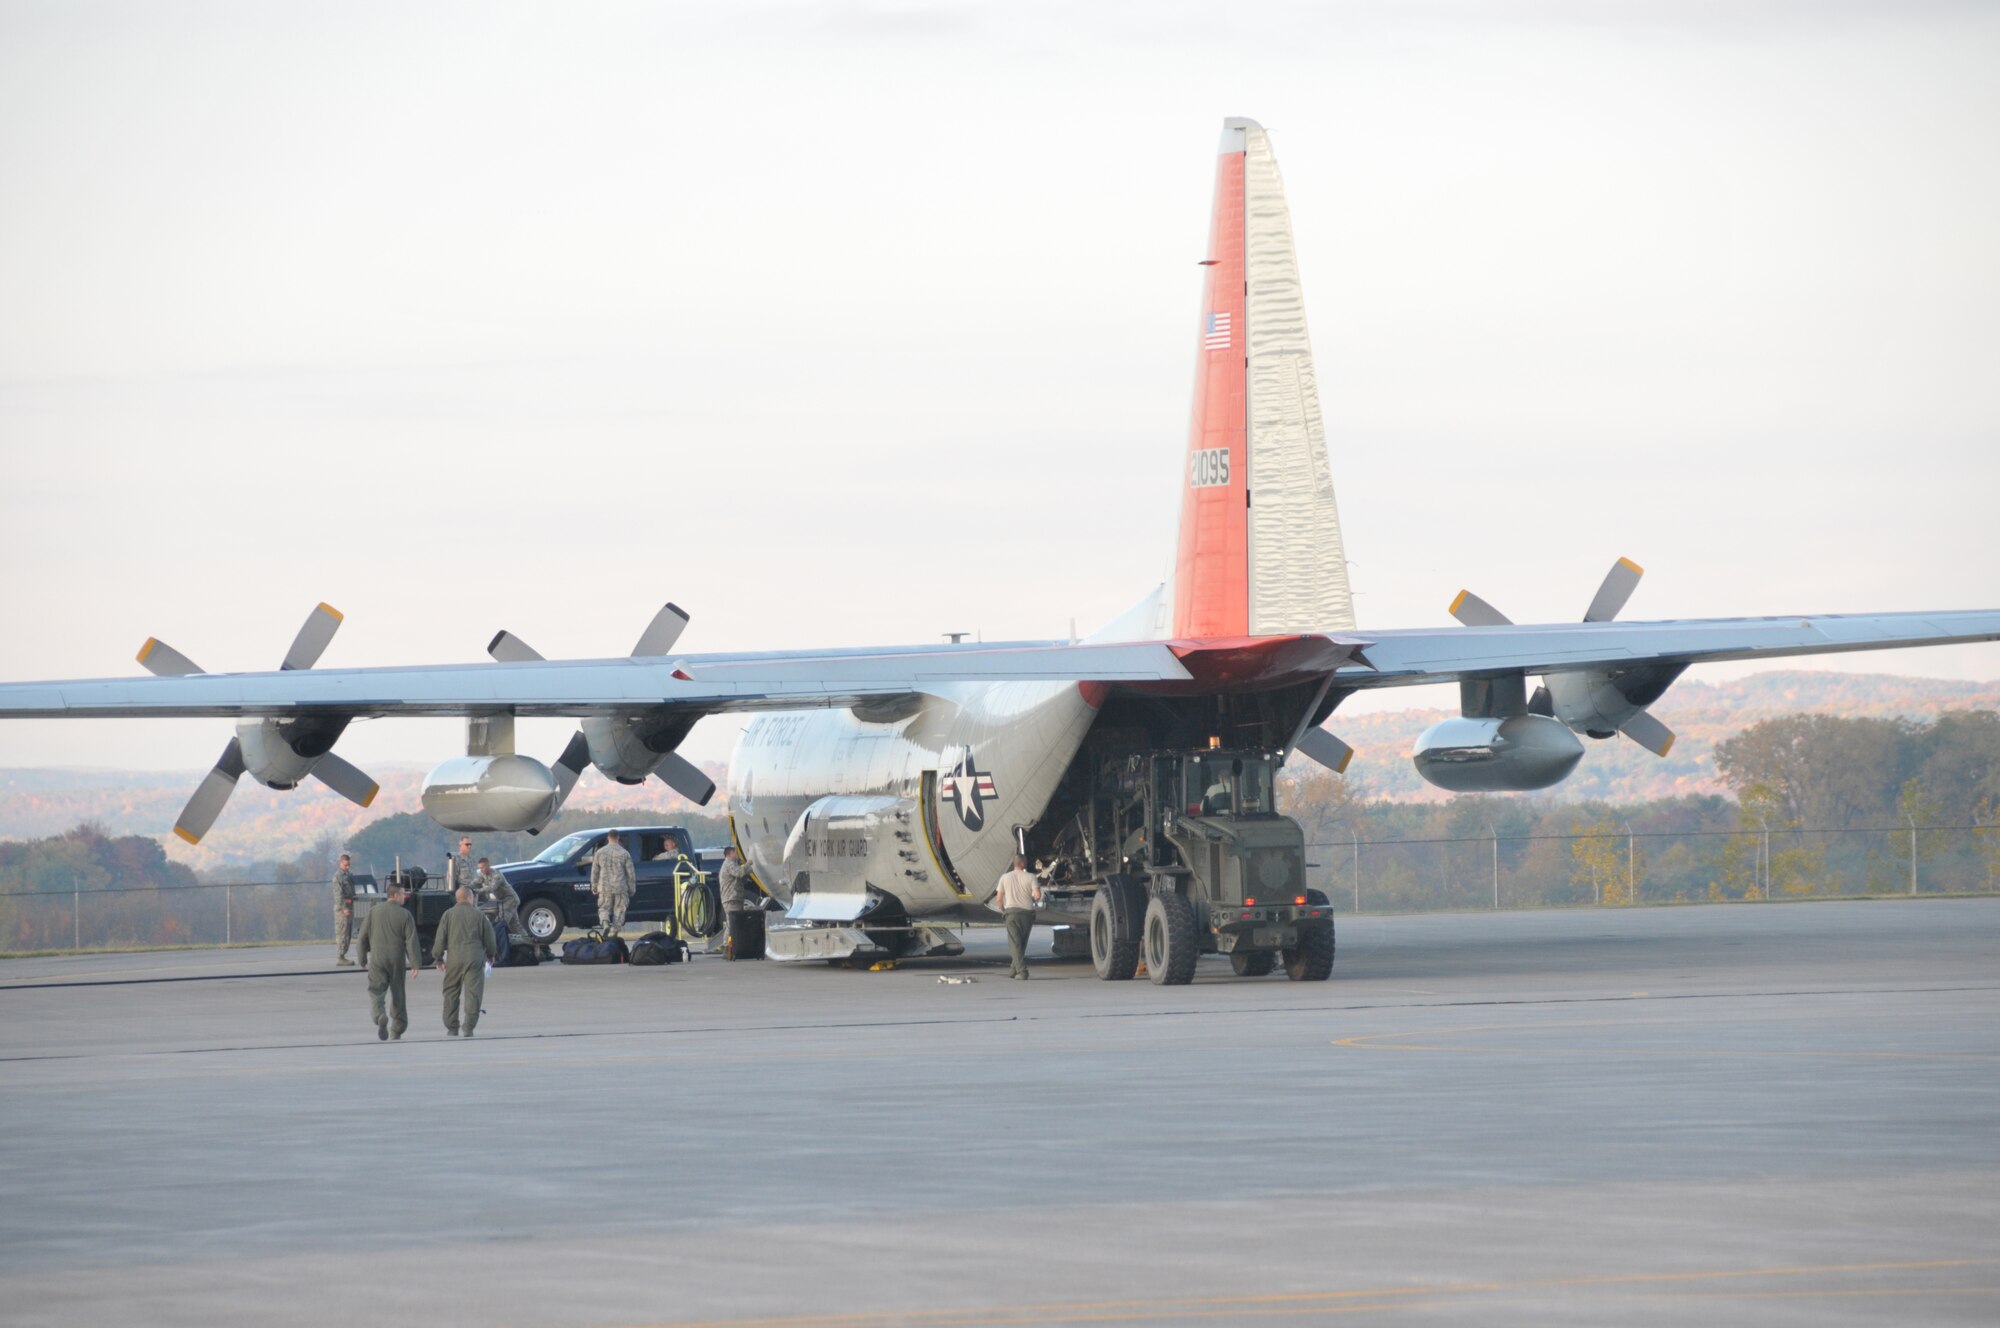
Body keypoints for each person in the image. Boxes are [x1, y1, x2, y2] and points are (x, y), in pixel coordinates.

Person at [356, 880, 423, 1040]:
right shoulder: (405, 915)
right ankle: (397, 1028)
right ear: (395, 895)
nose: (405, 897)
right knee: (398, 992)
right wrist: (415, 963)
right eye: (403, 894)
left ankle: (379, 1016)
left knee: (376, 991)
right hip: (396, 959)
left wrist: (362, 957)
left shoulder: (373, 912)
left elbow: (362, 937)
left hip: (377, 959)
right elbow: (411, 941)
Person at [434, 885, 499, 1037]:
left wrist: (438, 958)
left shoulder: (448, 915)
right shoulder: (479, 915)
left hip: (454, 959)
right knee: (473, 993)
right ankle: (468, 1027)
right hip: (474, 958)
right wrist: (491, 954)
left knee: (450, 992)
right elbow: (490, 938)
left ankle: (452, 1027)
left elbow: (440, 938)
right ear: (470, 898)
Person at [994, 853, 1042, 979]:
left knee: (1014, 943)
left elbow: (999, 898)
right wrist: (1033, 899)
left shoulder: (1004, 877)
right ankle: (1013, 969)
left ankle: (1022, 970)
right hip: (1027, 913)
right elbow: (1037, 895)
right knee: (1022, 942)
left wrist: (1003, 910)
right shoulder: (1031, 877)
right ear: (1022, 863)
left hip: (1011, 913)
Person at [590, 830, 636, 935]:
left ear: (608, 838)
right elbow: (631, 874)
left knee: (604, 908)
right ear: (618, 837)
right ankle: (615, 931)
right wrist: (632, 889)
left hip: (604, 887)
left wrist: (594, 886)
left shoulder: (600, 853)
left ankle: (605, 924)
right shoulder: (625, 853)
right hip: (620, 887)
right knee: (619, 909)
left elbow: (595, 871)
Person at [709, 845, 747, 954]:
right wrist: (748, 865)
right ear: (729, 854)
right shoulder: (729, 864)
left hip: (734, 898)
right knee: (732, 923)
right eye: (735, 853)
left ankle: (732, 945)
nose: (737, 855)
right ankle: (727, 946)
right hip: (731, 898)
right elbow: (740, 873)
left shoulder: (732, 864)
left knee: (735, 922)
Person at [473, 856, 520, 943]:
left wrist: (477, 891)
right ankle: (526, 941)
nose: (481, 870)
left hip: (510, 900)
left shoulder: (496, 875)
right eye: (479, 868)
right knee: (515, 926)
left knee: (500, 922)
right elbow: (475, 882)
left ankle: (499, 943)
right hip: (502, 901)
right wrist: (467, 888)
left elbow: (492, 888)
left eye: (483, 867)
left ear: (488, 866)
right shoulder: (483, 875)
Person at [332, 852, 357, 966]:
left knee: (348, 932)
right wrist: (344, 908)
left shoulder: (348, 875)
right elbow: (338, 895)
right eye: (346, 865)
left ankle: (344, 955)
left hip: (350, 906)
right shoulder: (338, 877)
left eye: (349, 865)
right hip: (342, 909)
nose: (347, 867)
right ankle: (341, 957)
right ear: (340, 863)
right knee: (342, 932)